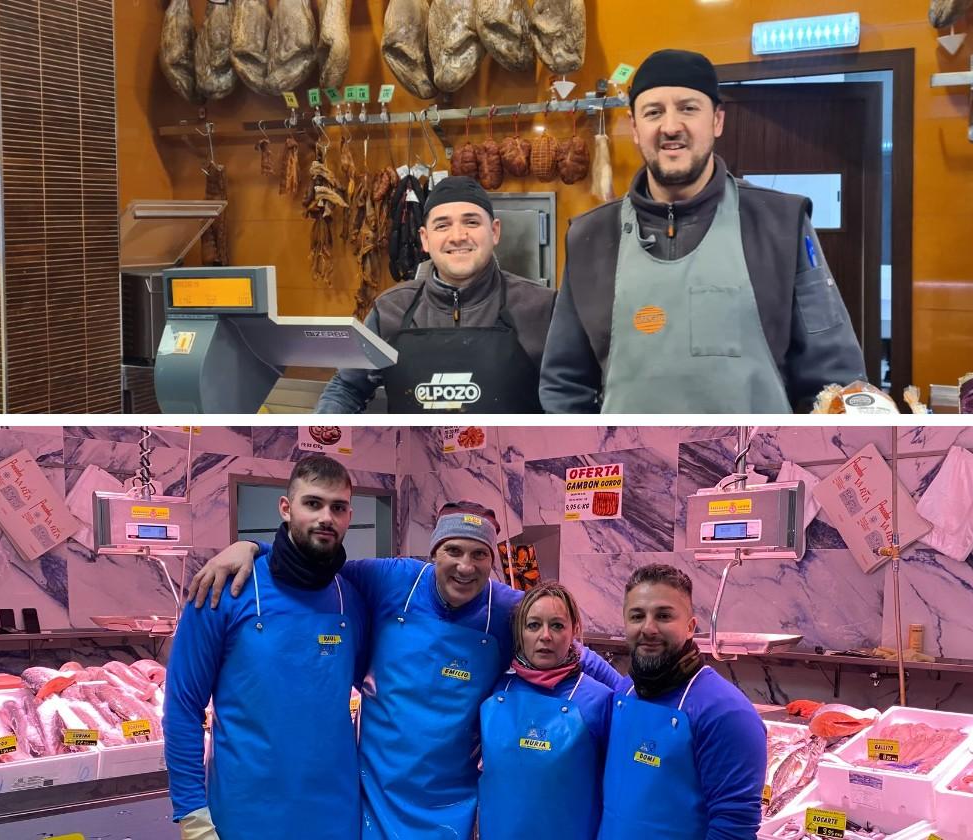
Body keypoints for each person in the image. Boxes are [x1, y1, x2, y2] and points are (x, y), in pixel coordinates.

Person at [187, 500, 624, 840]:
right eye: (452, 550)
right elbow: (312, 564)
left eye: (479, 554)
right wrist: (255, 547)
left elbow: (572, 650)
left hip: (452, 804)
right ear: (434, 552)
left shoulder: (506, 609)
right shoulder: (391, 578)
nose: (465, 566)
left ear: (492, 561)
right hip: (374, 796)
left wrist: (631, 698)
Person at [539, 48, 867, 414]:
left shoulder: (781, 223)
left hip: (757, 468)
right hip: (634, 468)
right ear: (634, 128)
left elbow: (835, 380)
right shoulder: (591, 237)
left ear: (717, 121)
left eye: (688, 108)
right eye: (653, 112)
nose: (671, 126)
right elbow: (564, 385)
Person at [164, 455, 369, 840]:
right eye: (313, 503)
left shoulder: (351, 598)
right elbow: (182, 706)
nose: (326, 517)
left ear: (348, 516)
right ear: (286, 509)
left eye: (337, 507)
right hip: (245, 815)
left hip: (337, 815)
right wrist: (191, 811)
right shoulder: (223, 589)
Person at [316, 176, 556, 414]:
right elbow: (347, 386)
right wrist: (320, 434)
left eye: (471, 222)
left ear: (494, 232)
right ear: (425, 239)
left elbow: (573, 394)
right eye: (442, 225)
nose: (458, 236)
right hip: (413, 451)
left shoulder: (542, 308)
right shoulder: (390, 310)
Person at [598, 564, 766, 840]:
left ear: (690, 627)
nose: (648, 628)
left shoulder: (727, 713)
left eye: (663, 616)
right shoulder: (624, 692)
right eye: (637, 616)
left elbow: (734, 827)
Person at [478, 582, 613, 840]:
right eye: (533, 625)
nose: (545, 636)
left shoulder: (599, 701)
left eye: (557, 625)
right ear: (520, 633)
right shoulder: (496, 690)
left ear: (574, 630)